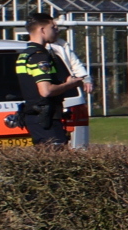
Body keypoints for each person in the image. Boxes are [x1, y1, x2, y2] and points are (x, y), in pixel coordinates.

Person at [12, 15, 79, 146]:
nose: (57, 30)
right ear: (42, 30)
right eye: (53, 27)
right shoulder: (39, 57)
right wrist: (69, 84)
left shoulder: (25, 54)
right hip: (45, 119)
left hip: (36, 116)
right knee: (58, 160)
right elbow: (46, 91)